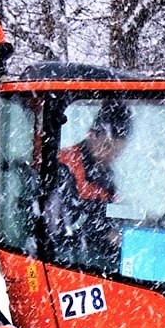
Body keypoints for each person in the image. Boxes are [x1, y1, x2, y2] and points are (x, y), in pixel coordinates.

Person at [48, 99, 131, 270]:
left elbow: (107, 212)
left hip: (91, 255)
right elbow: (65, 222)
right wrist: (107, 233)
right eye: (107, 146)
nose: (111, 155)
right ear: (91, 134)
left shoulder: (104, 174)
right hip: (67, 258)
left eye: (117, 151)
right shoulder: (65, 165)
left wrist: (139, 218)